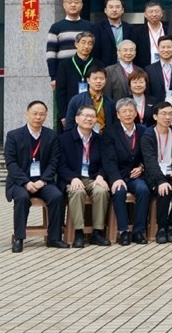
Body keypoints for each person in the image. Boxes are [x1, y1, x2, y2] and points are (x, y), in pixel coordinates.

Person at [5, 101, 69, 252]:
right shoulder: (14, 135)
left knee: (57, 196)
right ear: (27, 114)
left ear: (46, 116)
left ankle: (54, 238)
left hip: (43, 182)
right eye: (35, 113)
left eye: (41, 114)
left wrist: (43, 181)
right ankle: (19, 238)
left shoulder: (51, 136)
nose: (38, 117)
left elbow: (54, 161)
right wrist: (26, 182)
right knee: (22, 197)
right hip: (20, 182)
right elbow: (11, 163)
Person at [57, 104, 110, 248]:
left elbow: (107, 162)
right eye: (85, 116)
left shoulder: (100, 139)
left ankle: (97, 232)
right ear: (76, 119)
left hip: (93, 178)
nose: (89, 119)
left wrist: (101, 176)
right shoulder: (64, 139)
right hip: (72, 178)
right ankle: (78, 233)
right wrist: (72, 178)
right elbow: (60, 164)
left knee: (101, 191)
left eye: (92, 116)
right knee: (77, 191)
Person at [102, 98, 151, 245]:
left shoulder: (143, 131)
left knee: (143, 190)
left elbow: (148, 156)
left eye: (131, 111)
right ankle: (123, 231)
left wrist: (142, 167)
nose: (128, 114)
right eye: (124, 111)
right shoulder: (110, 132)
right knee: (119, 191)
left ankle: (138, 231)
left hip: (136, 175)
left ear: (136, 113)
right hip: (118, 175)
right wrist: (116, 178)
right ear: (118, 115)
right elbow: (109, 160)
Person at [140, 102, 172, 243]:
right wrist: (160, 180)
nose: (167, 117)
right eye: (164, 114)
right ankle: (161, 227)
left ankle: (171, 225)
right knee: (165, 191)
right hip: (154, 176)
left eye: (170, 114)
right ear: (155, 116)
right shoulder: (148, 136)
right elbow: (150, 162)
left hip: (171, 173)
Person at [45, 0, 93, 87]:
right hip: (63, 72)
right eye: (70, 2)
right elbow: (51, 53)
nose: (73, 5)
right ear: (64, 5)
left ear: (81, 5)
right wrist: (53, 76)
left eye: (76, 2)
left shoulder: (90, 26)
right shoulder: (56, 27)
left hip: (86, 72)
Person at [55, 31, 96, 131]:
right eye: (83, 42)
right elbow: (60, 91)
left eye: (90, 43)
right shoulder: (64, 65)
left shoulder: (98, 65)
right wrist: (63, 115)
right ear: (76, 44)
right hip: (70, 110)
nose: (86, 46)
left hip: (92, 111)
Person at [63, 65, 116, 134]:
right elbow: (69, 125)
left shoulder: (110, 102)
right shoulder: (76, 100)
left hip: (104, 137)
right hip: (83, 137)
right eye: (95, 78)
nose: (98, 81)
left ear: (106, 80)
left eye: (101, 78)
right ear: (88, 80)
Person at [91, 0, 133, 67]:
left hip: (126, 67)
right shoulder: (97, 28)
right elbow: (95, 52)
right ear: (105, 10)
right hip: (105, 68)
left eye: (117, 7)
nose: (114, 10)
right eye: (111, 7)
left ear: (122, 10)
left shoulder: (129, 28)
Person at [145, 35, 172, 104]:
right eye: (163, 47)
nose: (166, 50)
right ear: (158, 48)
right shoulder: (149, 69)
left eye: (168, 47)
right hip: (156, 106)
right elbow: (148, 92)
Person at [132, 0, 169, 68]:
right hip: (145, 69)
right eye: (150, 12)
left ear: (162, 13)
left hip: (166, 67)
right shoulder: (137, 32)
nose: (154, 14)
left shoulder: (169, 30)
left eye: (157, 11)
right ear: (145, 14)